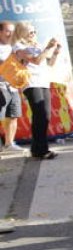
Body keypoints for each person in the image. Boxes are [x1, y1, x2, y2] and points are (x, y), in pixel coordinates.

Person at [13, 23, 62, 160]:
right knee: (39, 113)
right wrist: (48, 47)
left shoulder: (37, 45)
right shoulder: (19, 47)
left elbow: (49, 63)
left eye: (34, 32)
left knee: (45, 115)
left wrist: (55, 52)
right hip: (30, 82)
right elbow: (36, 60)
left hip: (43, 81)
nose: (33, 34)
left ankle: (36, 148)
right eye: (30, 32)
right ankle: (41, 150)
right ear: (22, 33)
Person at [0, 20, 24, 155]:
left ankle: (9, 143)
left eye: (12, 31)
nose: (11, 34)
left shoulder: (13, 45)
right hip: (1, 86)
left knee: (13, 115)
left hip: (12, 86)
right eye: (8, 31)